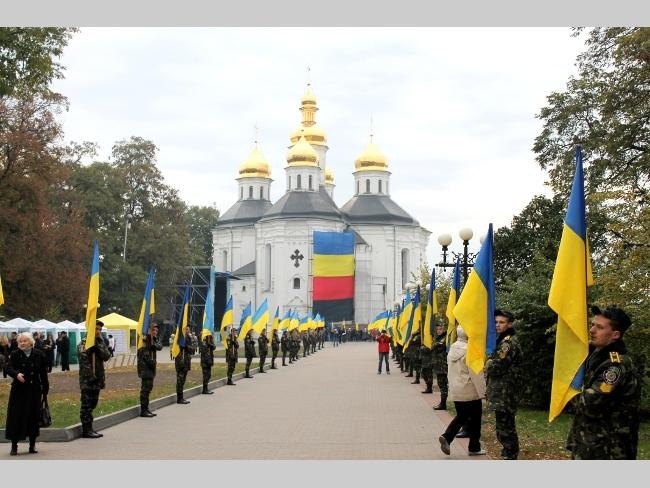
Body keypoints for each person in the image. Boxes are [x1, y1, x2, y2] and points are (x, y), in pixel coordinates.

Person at [566, 306, 641, 460]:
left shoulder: (616, 365)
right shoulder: (596, 355)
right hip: (590, 444)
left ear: (615, 335)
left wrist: (564, 389)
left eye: (599, 327)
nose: (592, 330)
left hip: (608, 450)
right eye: (592, 324)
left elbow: (589, 404)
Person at [438, 326, 487, 457]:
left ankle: (448, 438)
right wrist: (483, 392)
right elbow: (476, 374)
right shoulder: (471, 350)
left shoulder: (453, 348)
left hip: (456, 389)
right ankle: (473, 447)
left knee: (462, 416)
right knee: (475, 419)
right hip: (470, 390)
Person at [484, 309, 523, 460]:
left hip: (506, 392)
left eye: (502, 322)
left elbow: (497, 366)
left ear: (510, 324)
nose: (497, 325)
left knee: (506, 425)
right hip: (501, 391)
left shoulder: (508, 343)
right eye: (496, 322)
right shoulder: (501, 340)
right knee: (503, 424)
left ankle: (511, 453)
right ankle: (508, 451)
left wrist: (487, 362)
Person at [4, 332, 49, 455]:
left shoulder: (39, 354)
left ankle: (32, 445)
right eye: (20, 341)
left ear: (31, 342)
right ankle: (14, 445)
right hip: (19, 391)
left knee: (33, 416)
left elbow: (43, 374)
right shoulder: (15, 354)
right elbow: (7, 368)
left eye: (25, 341)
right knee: (16, 417)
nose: (22, 343)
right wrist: (16, 374)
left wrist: (45, 390)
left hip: (34, 390)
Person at [77, 320, 111, 438]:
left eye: (100, 329)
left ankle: (90, 427)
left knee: (93, 403)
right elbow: (83, 361)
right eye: (96, 329)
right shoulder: (84, 342)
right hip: (88, 380)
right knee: (86, 405)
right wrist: (91, 376)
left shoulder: (100, 342)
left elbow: (107, 356)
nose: (98, 331)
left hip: (98, 379)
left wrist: (99, 346)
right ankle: (86, 429)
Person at [137, 323, 162, 417]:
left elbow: (160, 347)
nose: (155, 332)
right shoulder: (143, 340)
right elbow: (143, 354)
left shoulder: (153, 339)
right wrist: (152, 362)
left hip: (151, 369)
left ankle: (146, 409)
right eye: (153, 330)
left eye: (156, 331)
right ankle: (143, 410)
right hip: (145, 369)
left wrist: (154, 342)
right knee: (145, 390)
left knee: (148, 389)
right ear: (148, 330)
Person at [174, 327, 196, 404]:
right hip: (180, 362)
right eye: (185, 329)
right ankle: (179, 398)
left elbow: (193, 350)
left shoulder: (189, 338)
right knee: (180, 380)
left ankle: (181, 397)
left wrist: (187, 346)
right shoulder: (178, 337)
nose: (186, 330)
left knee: (183, 380)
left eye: (187, 329)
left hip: (186, 362)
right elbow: (175, 348)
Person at [432, 323, 449, 409]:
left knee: (443, 385)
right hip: (439, 365)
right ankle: (442, 402)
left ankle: (443, 404)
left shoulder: (445, 338)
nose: (438, 331)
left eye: (440, 329)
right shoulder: (438, 338)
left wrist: (434, 344)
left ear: (445, 329)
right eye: (437, 329)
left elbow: (437, 346)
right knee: (441, 384)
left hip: (443, 366)